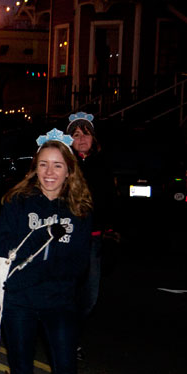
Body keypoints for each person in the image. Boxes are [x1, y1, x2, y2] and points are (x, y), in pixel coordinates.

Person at [0, 129, 94, 374]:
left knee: (66, 372)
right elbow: (2, 254)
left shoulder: (79, 210)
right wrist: (32, 272)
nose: (49, 173)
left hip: (59, 302)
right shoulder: (16, 204)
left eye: (57, 166)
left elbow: (79, 262)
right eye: (43, 165)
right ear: (34, 169)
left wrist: (38, 270)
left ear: (69, 171)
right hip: (19, 301)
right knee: (20, 371)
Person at [67, 113, 117, 340]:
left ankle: (73, 333)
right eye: (76, 135)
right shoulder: (65, 164)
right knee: (68, 290)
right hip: (69, 237)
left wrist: (110, 228)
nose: (82, 138)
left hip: (94, 238)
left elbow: (110, 199)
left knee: (90, 295)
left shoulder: (103, 164)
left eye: (86, 134)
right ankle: (67, 340)